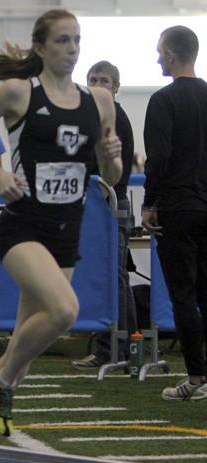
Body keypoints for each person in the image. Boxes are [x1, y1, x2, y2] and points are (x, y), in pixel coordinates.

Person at [0, 9, 122, 463]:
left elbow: (112, 174)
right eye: (62, 41)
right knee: (64, 311)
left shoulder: (99, 101)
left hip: (68, 230)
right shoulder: (19, 92)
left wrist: (110, 157)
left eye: (77, 40)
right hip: (23, 227)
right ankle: (2, 385)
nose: (72, 49)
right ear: (40, 48)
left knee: (20, 349)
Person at [141, 25, 207, 401]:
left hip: (178, 208)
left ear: (169, 54)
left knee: (183, 295)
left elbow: (160, 157)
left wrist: (150, 203)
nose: (156, 58)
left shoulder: (163, 100)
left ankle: (197, 378)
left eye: (158, 51)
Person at [72, 61, 137, 370]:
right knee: (118, 278)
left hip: (112, 205)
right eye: (93, 79)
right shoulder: (91, 117)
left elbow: (113, 174)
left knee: (112, 279)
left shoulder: (115, 118)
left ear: (115, 87)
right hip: (103, 206)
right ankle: (129, 343)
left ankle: (112, 349)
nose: (98, 84)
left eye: (104, 80)